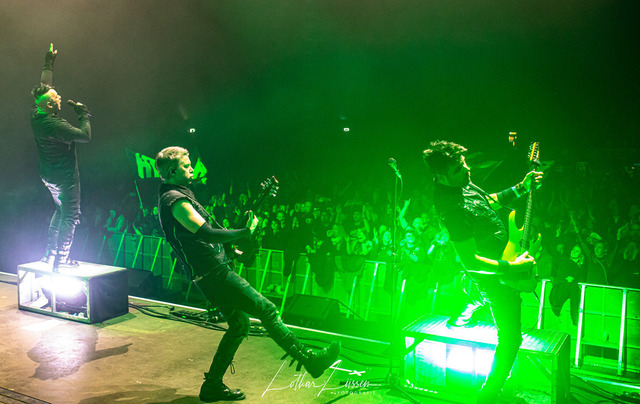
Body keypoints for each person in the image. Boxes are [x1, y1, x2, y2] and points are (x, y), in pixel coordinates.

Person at [155, 147, 339, 402]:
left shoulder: (181, 195)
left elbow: (199, 239)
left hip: (212, 272)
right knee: (267, 310)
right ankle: (309, 360)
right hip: (213, 274)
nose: (192, 169)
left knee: (240, 326)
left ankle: (212, 386)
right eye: (187, 166)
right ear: (172, 171)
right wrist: (243, 233)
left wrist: (230, 249)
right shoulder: (175, 201)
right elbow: (206, 233)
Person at [423, 140, 542, 404]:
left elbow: (489, 203)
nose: (467, 169)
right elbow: (471, 262)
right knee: (511, 337)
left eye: (464, 162)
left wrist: (521, 187)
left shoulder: (463, 185)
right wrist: (511, 268)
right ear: (441, 176)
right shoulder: (452, 208)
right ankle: (487, 395)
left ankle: (471, 302)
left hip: (503, 259)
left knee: (493, 313)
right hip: (493, 277)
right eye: (458, 168)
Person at [30, 43, 91, 270]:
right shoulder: (55, 125)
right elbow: (85, 136)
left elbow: (45, 86)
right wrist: (84, 115)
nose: (59, 97)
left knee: (60, 210)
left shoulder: (37, 113)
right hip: (65, 178)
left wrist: (49, 63)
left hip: (49, 175)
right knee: (70, 215)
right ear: (49, 103)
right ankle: (62, 260)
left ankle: (50, 256)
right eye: (56, 97)